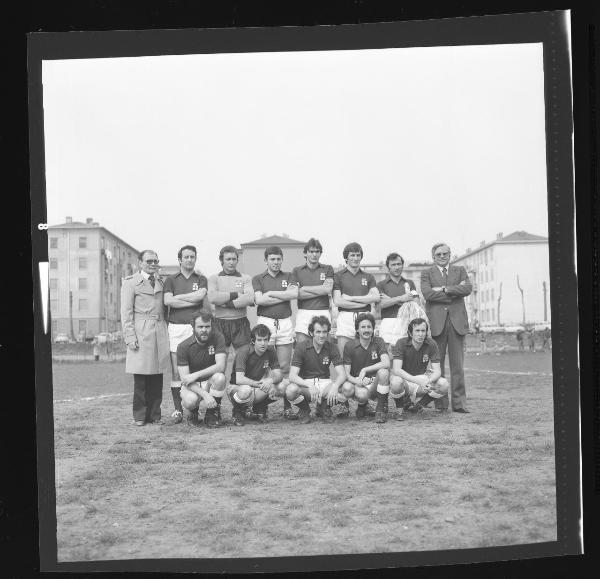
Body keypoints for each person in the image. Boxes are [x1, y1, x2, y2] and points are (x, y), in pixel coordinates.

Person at [420, 242, 472, 413]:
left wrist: (444, 289)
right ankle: (440, 404)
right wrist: (454, 293)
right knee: (437, 367)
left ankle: (459, 404)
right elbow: (428, 294)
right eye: (438, 254)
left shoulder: (460, 270)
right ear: (433, 257)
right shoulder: (426, 273)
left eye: (445, 253)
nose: (442, 257)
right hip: (436, 324)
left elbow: (467, 288)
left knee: (458, 366)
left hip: (457, 323)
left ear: (450, 254)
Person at [121, 249, 170, 426]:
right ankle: (140, 416)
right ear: (140, 263)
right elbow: (126, 313)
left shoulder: (161, 282)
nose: (153, 264)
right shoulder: (131, 282)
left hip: (159, 330)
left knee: (157, 377)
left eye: (155, 261)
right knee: (141, 378)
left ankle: (155, 414)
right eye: (149, 261)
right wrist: (129, 337)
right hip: (141, 332)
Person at [252, 246, 299, 420]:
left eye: (278, 259)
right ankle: (261, 406)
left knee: (285, 368)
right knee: (265, 369)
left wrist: (270, 293)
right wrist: (282, 295)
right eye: (272, 259)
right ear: (266, 260)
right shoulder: (258, 278)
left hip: (285, 322)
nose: (276, 262)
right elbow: (259, 300)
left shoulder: (289, 276)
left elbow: (293, 294)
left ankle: (287, 407)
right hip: (266, 323)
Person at [163, 245, 208, 424]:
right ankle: (177, 410)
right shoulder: (171, 280)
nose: (189, 260)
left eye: (192, 257)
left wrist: (178, 298)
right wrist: (190, 298)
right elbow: (168, 301)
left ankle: (194, 411)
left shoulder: (202, 278)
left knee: (195, 370)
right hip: (176, 328)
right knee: (176, 371)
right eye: (186, 257)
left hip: (195, 328)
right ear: (180, 260)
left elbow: (200, 297)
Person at [286, 315, 347, 423]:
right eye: (318, 332)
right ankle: (305, 410)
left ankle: (324, 407)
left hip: (325, 383)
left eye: (324, 332)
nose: (322, 335)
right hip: (307, 384)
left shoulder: (332, 347)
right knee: (291, 390)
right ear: (311, 333)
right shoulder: (301, 346)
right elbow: (292, 376)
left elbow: (342, 374)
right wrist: (309, 385)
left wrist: (335, 387)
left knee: (348, 389)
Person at [207, 245, 255, 373]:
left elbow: (250, 298)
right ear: (221, 260)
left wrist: (224, 303)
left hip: (240, 323)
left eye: (234, 259)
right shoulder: (214, 278)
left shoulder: (245, 278)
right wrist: (235, 295)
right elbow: (212, 297)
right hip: (219, 323)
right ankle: (216, 392)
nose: (231, 262)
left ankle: (237, 391)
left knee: (243, 362)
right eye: (228, 259)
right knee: (219, 366)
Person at [389, 318, 450, 417]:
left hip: (422, 379)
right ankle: (400, 407)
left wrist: (429, 381)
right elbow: (397, 370)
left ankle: (420, 405)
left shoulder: (431, 344)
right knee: (396, 382)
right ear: (410, 333)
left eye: (423, 331)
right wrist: (418, 381)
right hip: (404, 380)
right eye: (417, 331)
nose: (420, 334)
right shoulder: (401, 343)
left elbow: (437, 371)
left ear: (426, 332)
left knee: (444, 384)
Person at [176, 312, 227, 428]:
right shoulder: (183, 347)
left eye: (207, 326)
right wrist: (205, 395)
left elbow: (220, 366)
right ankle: (193, 413)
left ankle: (212, 414)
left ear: (211, 326)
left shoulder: (218, 338)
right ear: (193, 327)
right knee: (190, 400)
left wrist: (196, 375)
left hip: (209, 381)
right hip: (191, 386)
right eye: (200, 327)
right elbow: (185, 380)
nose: (204, 330)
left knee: (220, 377)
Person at [227, 324, 284, 426]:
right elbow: (239, 379)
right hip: (237, 388)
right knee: (246, 390)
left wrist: (270, 381)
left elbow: (279, 375)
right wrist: (259, 384)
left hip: (256, 388)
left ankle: (259, 408)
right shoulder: (244, 351)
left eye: (265, 340)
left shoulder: (270, 351)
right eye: (259, 340)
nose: (263, 343)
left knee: (281, 386)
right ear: (253, 341)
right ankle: (237, 411)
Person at [341, 313, 391, 423]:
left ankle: (380, 409)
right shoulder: (349, 346)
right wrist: (359, 381)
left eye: (369, 327)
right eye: (363, 327)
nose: (366, 330)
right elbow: (347, 374)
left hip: (375, 383)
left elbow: (386, 363)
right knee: (358, 393)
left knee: (384, 372)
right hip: (359, 384)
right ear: (357, 330)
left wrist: (365, 369)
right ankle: (362, 405)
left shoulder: (379, 341)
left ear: (373, 329)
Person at [292, 238, 335, 345]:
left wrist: (305, 288)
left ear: (320, 253)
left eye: (317, 252)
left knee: (324, 350)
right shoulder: (297, 270)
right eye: (311, 251)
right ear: (305, 253)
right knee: (303, 351)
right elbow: (297, 294)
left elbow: (327, 289)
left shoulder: (328, 269)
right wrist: (320, 289)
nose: (314, 254)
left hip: (323, 312)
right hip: (304, 312)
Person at [377, 252, 419, 347]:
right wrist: (402, 298)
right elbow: (379, 305)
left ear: (402, 265)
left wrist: (390, 300)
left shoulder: (410, 283)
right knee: (389, 358)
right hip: (388, 325)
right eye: (393, 265)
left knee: (406, 360)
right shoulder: (381, 285)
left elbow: (416, 306)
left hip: (406, 324)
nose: (396, 267)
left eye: (399, 264)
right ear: (388, 267)